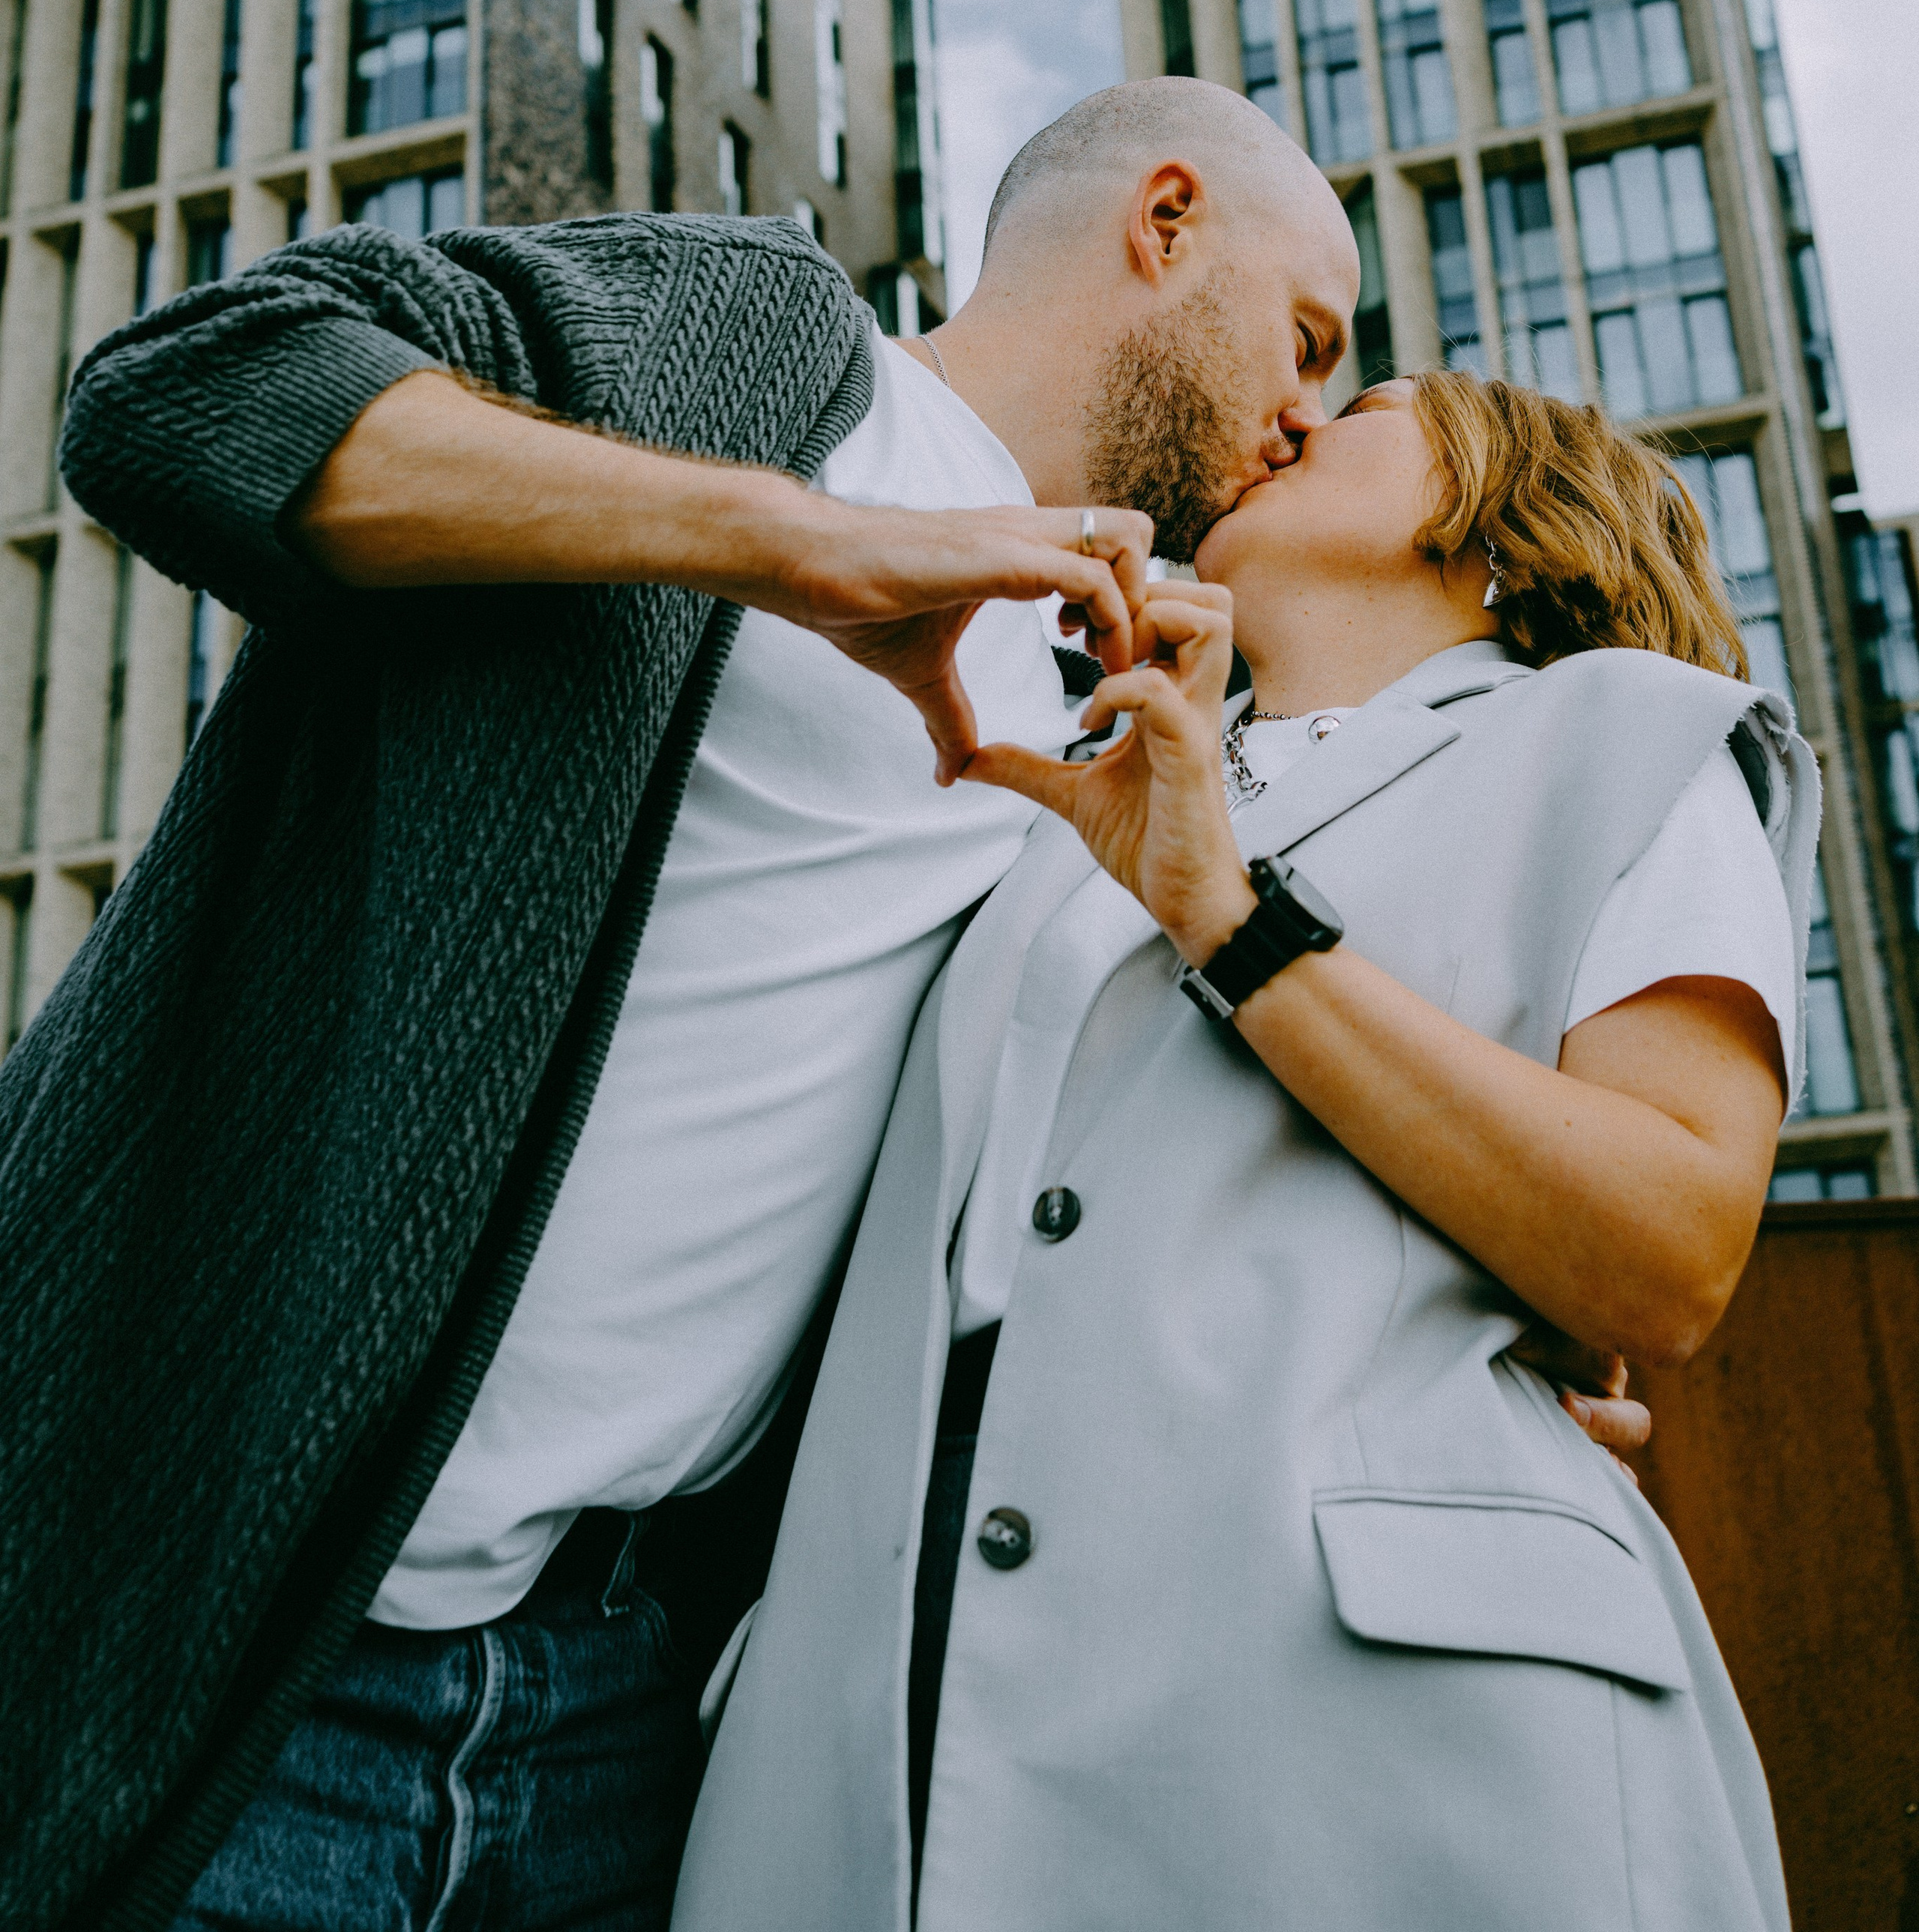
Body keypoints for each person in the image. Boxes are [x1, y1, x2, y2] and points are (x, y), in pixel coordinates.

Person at [6, 80, 1459, 1932]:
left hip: (622, 1714)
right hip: (231, 1626)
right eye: (1309, 340)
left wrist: (1428, 1361)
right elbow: (181, 393)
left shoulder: (1136, 691)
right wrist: (792, 546)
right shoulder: (772, 355)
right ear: (1163, 224)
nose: (1307, 419)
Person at [671, 370, 1812, 1932]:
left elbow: (1669, 1247)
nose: (1301, 416)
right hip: (899, 1687)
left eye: (1373, 398)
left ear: (1492, 509)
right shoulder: (1072, 792)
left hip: (1374, 1720)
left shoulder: (1623, 732)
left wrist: (1231, 917)